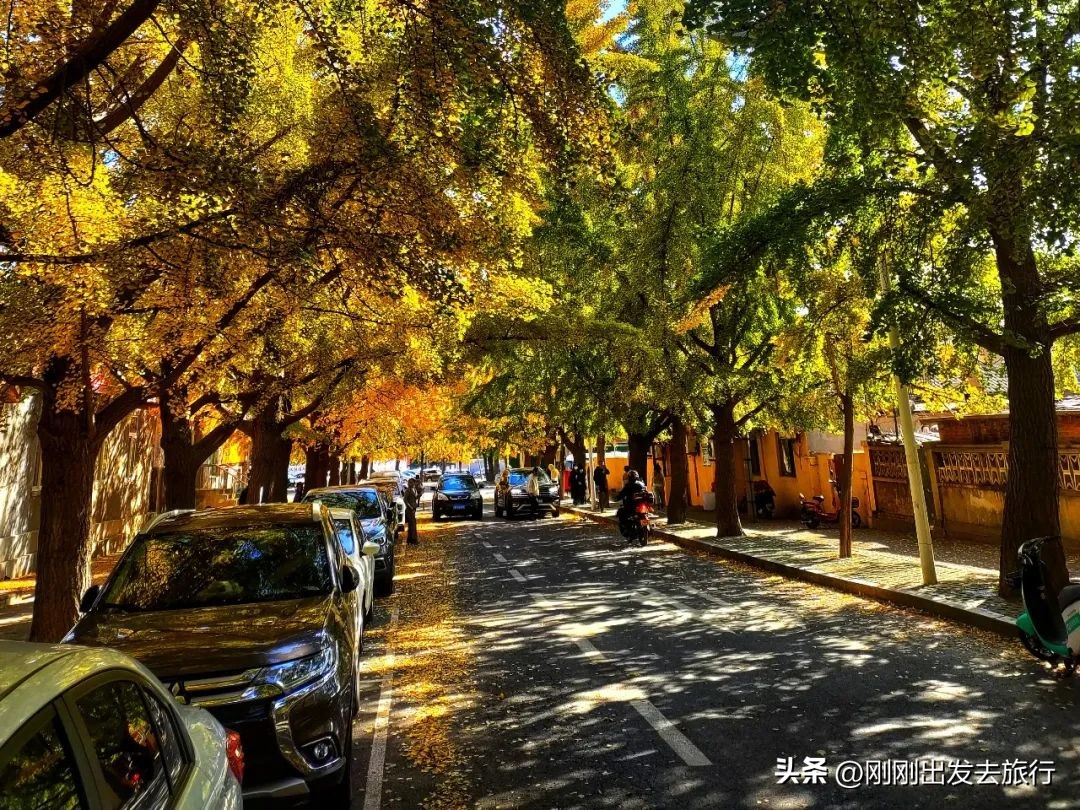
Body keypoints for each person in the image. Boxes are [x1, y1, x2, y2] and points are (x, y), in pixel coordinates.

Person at [614, 469, 649, 535]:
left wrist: (617, 498)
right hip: (641, 505)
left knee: (621, 513)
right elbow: (646, 492)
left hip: (631, 506)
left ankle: (627, 530)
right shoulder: (642, 484)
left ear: (629, 477)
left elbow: (621, 494)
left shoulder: (628, 485)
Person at [404, 478, 420, 545]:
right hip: (409, 510)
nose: (412, 484)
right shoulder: (408, 490)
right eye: (410, 482)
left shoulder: (414, 489)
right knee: (412, 524)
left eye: (413, 482)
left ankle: (410, 539)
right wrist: (411, 508)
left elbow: (415, 498)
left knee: (412, 525)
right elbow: (405, 500)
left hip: (413, 509)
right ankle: (413, 540)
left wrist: (420, 494)